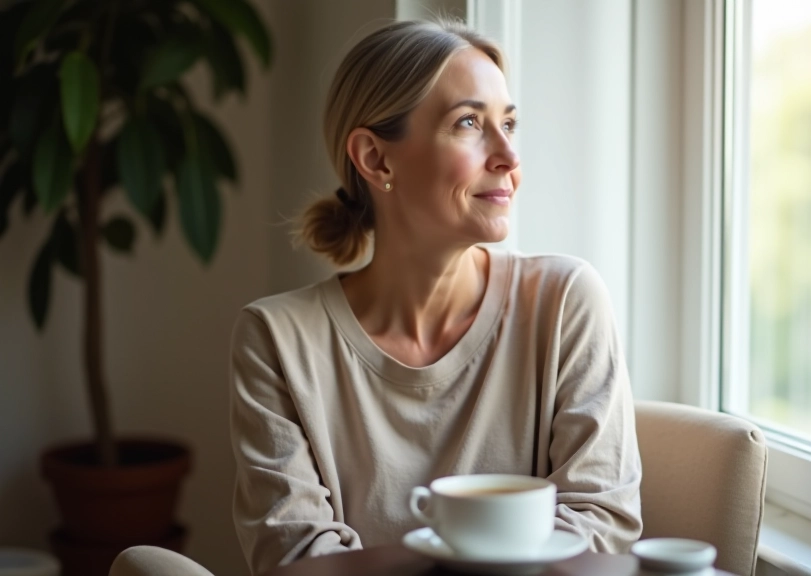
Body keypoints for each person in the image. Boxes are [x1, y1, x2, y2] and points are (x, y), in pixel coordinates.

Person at [228, 19, 642, 575]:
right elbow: (297, 560)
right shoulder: (277, 340)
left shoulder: (566, 303)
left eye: (509, 124)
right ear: (376, 159)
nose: (509, 158)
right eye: (469, 122)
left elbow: (600, 523)